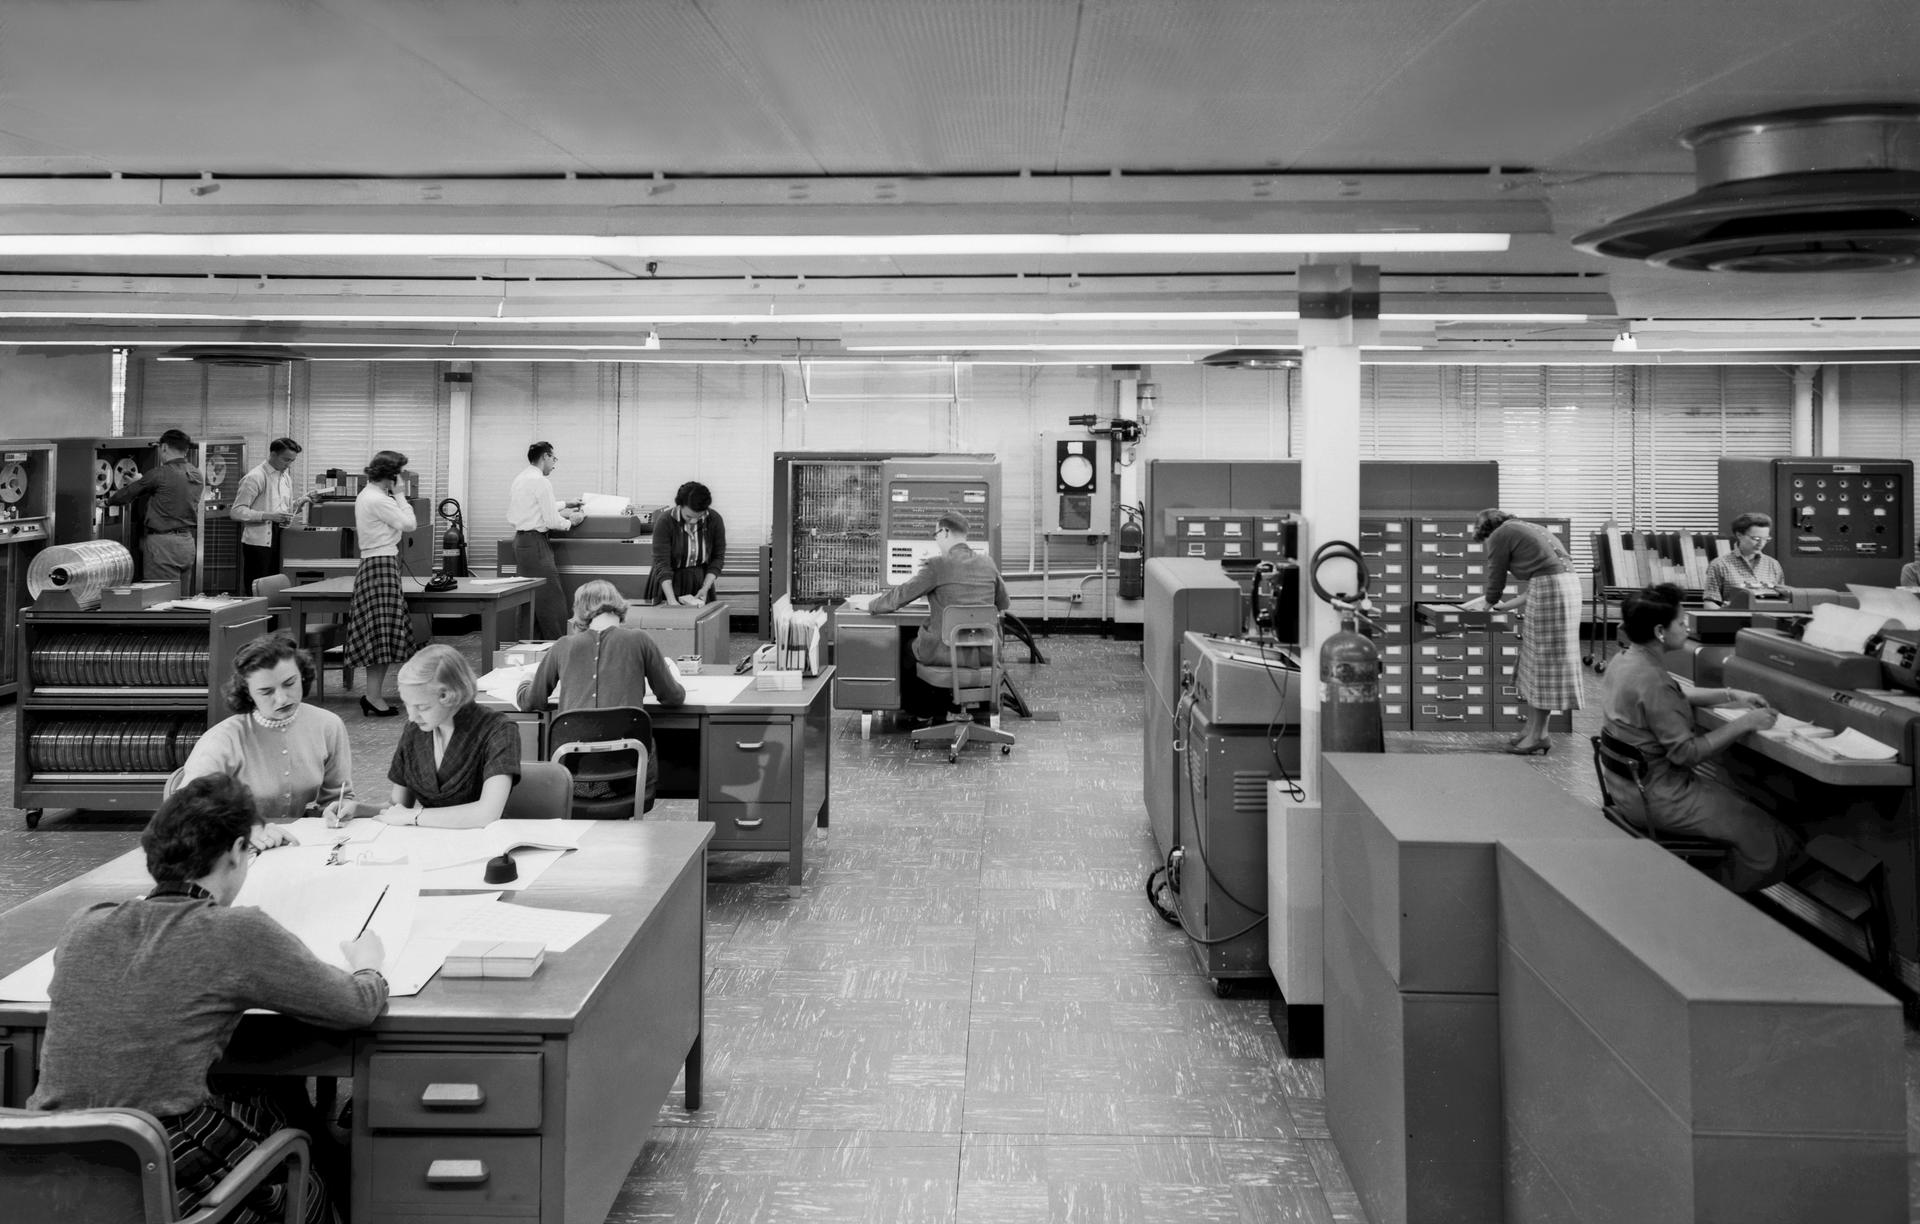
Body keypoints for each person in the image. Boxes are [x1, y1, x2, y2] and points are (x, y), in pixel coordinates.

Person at [26, 774, 387, 1224]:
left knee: (271, 1093)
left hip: (45, 1167)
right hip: (159, 1163)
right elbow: (356, 1005)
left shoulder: (86, 923)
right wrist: (369, 965)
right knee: (305, 1150)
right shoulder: (236, 932)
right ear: (237, 851)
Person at [1601, 583, 1800, 893]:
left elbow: (1674, 695)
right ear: (1659, 631)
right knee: (1772, 841)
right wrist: (1746, 722)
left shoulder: (1627, 660)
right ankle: (1709, 898)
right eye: (1681, 622)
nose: (1687, 627)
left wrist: (1731, 693)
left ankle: (1700, 884)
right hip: (1661, 797)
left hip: (1627, 788)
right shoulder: (1654, 680)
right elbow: (1687, 754)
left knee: (1745, 811)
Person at [518, 580, 686, 808]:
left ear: (579, 610)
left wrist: (526, 680)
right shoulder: (640, 640)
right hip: (629, 776)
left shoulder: (562, 646)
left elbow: (531, 701)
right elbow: (673, 697)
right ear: (618, 605)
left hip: (572, 779)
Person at [178, 633, 354, 831]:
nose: (282, 699)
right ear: (248, 693)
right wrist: (246, 834)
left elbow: (339, 796)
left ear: (303, 676)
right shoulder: (223, 739)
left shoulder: (328, 725)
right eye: (266, 691)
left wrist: (340, 807)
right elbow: (184, 813)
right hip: (236, 845)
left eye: (290, 683)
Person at [846, 511, 1008, 722]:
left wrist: (870, 604)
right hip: (986, 654)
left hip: (945, 653)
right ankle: (969, 708)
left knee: (905, 646)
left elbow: (900, 596)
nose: (937, 540)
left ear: (946, 532)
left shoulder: (936, 566)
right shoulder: (988, 564)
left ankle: (923, 711)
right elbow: (1003, 603)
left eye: (936, 534)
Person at [1470, 508, 1583, 755]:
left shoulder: (1501, 534)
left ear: (1486, 530)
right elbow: (1545, 577)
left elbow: (1496, 576)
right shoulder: (1529, 528)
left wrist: (1484, 606)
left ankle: (1539, 735)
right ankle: (1531, 729)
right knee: (1536, 660)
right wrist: (1504, 606)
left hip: (1551, 592)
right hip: (1565, 588)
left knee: (1543, 664)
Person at [382, 644, 520, 828]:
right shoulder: (415, 730)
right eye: (407, 704)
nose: (412, 717)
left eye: (422, 707)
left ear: (450, 696)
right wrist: (358, 809)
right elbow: (397, 808)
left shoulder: (499, 730)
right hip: (426, 841)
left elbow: (487, 814)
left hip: (482, 844)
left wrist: (414, 816)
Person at [345, 450, 417, 717]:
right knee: (380, 634)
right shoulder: (379, 499)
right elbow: (409, 524)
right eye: (399, 474)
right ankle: (373, 696)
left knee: (380, 634)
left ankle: (373, 695)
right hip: (381, 565)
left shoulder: (369, 495)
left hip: (378, 564)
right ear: (391, 474)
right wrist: (400, 494)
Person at [106, 427, 205, 592]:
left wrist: (107, 502)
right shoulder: (196, 474)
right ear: (186, 450)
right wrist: (143, 481)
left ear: (164, 447)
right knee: (182, 598)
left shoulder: (160, 474)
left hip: (163, 545)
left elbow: (127, 494)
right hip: (186, 543)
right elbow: (172, 491)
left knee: (160, 596)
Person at [505, 441, 585, 639]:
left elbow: (533, 506)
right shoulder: (541, 481)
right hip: (536, 544)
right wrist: (572, 521)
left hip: (521, 542)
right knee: (551, 600)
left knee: (529, 599)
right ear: (545, 457)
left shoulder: (521, 478)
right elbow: (551, 520)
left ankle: (529, 645)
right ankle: (560, 645)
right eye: (553, 459)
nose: (554, 464)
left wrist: (566, 503)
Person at [231, 437, 312, 595]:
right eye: (286, 460)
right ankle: (259, 619)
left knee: (275, 587)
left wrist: (300, 503)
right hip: (259, 543)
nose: (288, 465)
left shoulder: (285, 477)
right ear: (273, 454)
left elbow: (283, 510)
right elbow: (236, 511)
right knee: (258, 588)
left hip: (279, 537)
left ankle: (274, 620)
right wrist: (268, 516)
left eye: (292, 461)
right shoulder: (255, 477)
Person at [648, 480, 726, 606]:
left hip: (700, 582)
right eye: (688, 516)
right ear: (679, 505)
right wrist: (671, 599)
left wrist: (705, 588)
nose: (694, 521)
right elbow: (662, 563)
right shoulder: (665, 521)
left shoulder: (714, 520)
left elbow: (718, 558)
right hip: (668, 582)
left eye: (699, 516)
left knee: (700, 622)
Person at [1702, 512, 1788, 606]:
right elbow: (1710, 602)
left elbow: (1783, 599)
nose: (1761, 544)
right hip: (1734, 618)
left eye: (1766, 539)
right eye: (1756, 538)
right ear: (1739, 535)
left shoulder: (1773, 565)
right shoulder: (1720, 564)